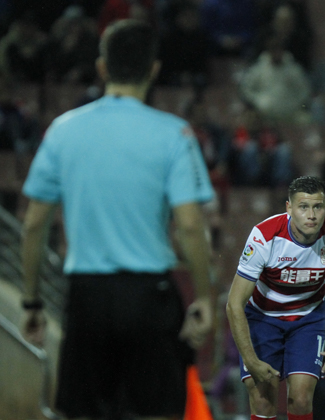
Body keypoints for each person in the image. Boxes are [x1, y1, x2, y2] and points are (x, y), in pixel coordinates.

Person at [19, 20, 215, 420]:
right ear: (154, 70)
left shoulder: (63, 131)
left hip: (87, 298)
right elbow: (191, 226)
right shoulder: (174, 134)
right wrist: (204, 297)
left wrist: (32, 300)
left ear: (103, 68)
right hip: (149, 298)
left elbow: (35, 223)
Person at [226, 175, 325, 420]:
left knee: (302, 397)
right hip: (263, 318)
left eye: (318, 207)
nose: (311, 215)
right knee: (263, 401)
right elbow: (234, 303)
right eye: (303, 207)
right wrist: (250, 359)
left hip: (307, 319)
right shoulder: (264, 236)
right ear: (289, 208)